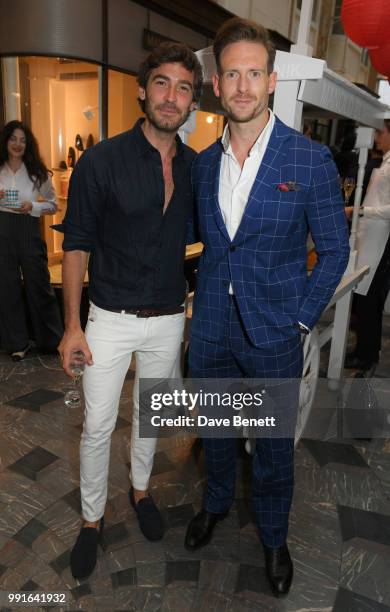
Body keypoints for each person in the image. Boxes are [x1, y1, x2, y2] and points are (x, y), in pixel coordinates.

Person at [184, 18, 350, 596]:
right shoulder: (203, 164)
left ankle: (275, 538)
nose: (243, 85)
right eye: (232, 73)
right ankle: (217, 504)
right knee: (216, 430)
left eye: (254, 73)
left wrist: (302, 319)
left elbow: (334, 250)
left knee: (273, 449)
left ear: (272, 80)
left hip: (275, 333)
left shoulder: (309, 161)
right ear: (217, 83)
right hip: (208, 330)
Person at [56, 42, 203, 580]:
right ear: (142, 90)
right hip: (109, 318)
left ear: (192, 101)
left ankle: (141, 493)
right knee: (97, 426)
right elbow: (76, 245)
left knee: (150, 418)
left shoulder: (195, 168)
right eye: (162, 83)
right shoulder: (103, 160)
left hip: (168, 319)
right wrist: (72, 326)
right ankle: (92, 520)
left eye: (183, 87)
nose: (171, 96)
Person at [0, 120, 63, 361]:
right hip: (2, 228)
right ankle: (16, 342)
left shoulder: (37, 171)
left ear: (28, 144)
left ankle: (51, 340)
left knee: (39, 283)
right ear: (5, 141)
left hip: (28, 227)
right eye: (13, 139)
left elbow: (53, 204)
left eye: (22, 140)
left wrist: (33, 206)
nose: (17, 144)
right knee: (7, 287)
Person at [345, 120, 390, 370]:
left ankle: (366, 354)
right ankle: (366, 348)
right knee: (364, 298)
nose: (376, 137)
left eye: (380, 132)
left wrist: (363, 211)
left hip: (381, 241)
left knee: (370, 300)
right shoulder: (385, 160)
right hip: (370, 236)